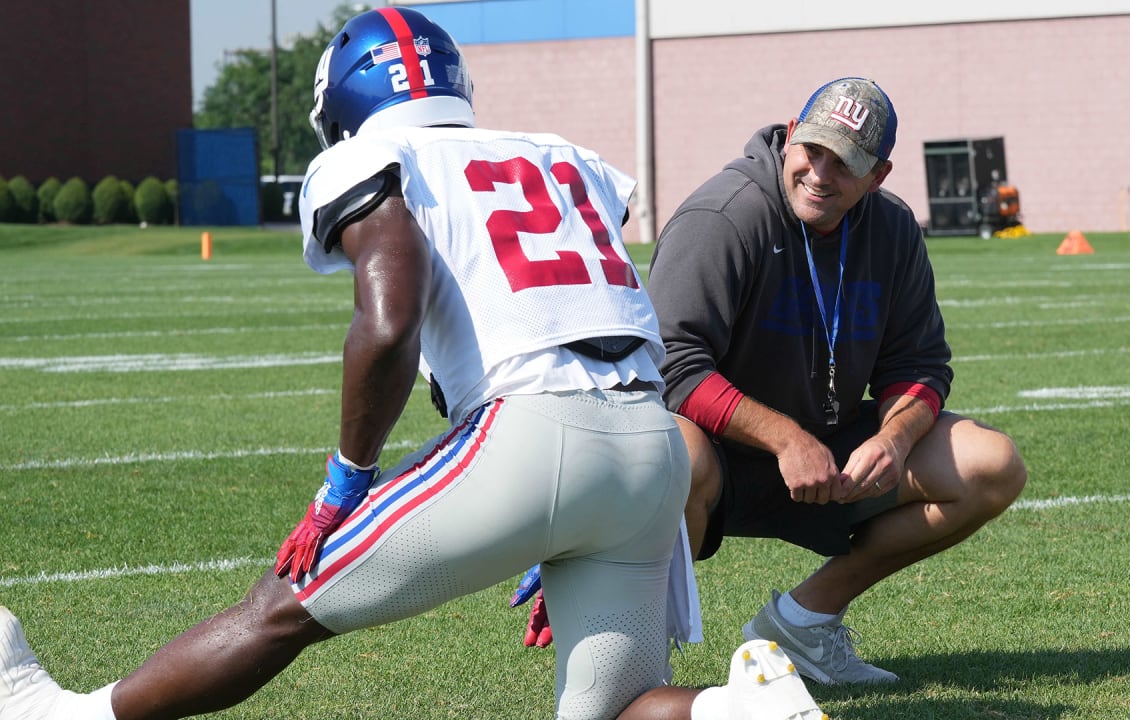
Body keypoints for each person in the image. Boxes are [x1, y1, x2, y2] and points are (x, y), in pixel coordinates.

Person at [0, 9, 829, 720]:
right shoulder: (562, 154)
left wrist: (345, 479)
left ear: (347, 105)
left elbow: (390, 323)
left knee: (283, 606)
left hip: (533, 431)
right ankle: (742, 704)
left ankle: (69, 715)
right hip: (652, 445)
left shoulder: (373, 157)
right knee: (613, 708)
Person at [644, 76, 1028, 686]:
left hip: (831, 453)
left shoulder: (893, 228)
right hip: (719, 450)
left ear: (878, 175)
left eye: (844, 163)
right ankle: (643, 670)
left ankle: (804, 621)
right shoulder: (724, 215)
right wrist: (786, 441)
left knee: (991, 462)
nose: (820, 173)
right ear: (790, 135)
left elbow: (921, 366)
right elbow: (669, 364)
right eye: (812, 150)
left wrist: (895, 440)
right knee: (672, 455)